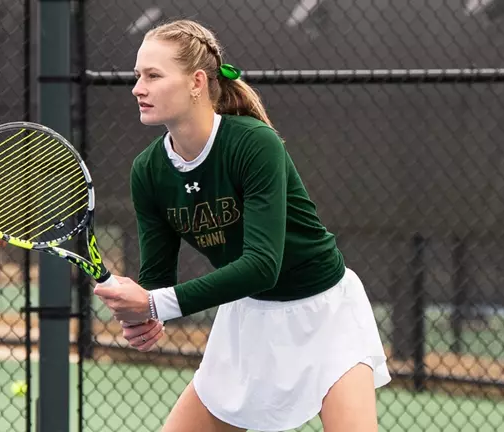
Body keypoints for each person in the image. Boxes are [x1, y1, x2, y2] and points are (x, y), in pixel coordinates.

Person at [93, 18, 390, 432]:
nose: (137, 88)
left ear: (197, 81)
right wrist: (144, 313)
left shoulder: (253, 143)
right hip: (247, 323)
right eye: (137, 75)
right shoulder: (148, 171)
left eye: (153, 76)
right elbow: (158, 279)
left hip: (324, 315)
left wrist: (157, 303)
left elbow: (262, 267)